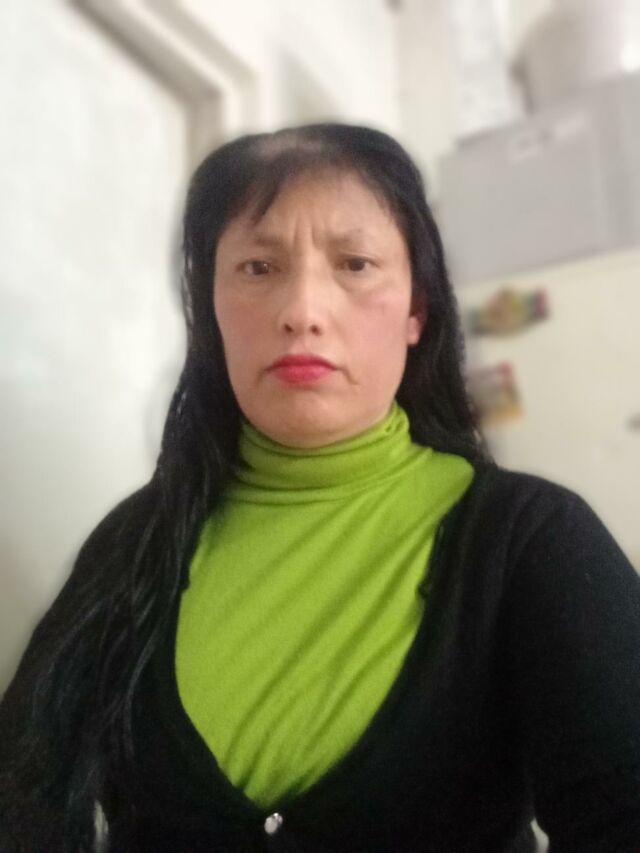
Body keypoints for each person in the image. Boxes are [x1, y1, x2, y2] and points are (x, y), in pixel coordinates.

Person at [1, 123, 639, 853]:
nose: (302, 310)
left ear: (416, 312)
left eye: (355, 264)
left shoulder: (532, 540)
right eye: (258, 267)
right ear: (210, 309)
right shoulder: (136, 541)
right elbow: (21, 794)